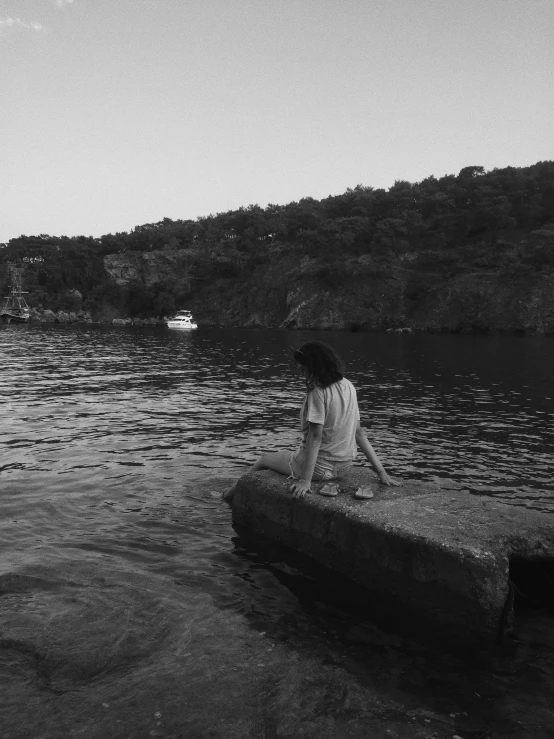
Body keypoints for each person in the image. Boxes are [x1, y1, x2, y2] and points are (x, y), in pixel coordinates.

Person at [224, 341, 400, 502]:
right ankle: (230, 494)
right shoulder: (349, 386)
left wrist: (305, 481)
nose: (301, 374)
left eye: (302, 369)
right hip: (345, 466)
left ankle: (229, 495)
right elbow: (359, 433)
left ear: (313, 366)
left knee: (263, 460)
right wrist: (382, 473)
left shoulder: (317, 391)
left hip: (320, 469)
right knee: (286, 454)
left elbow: (315, 437)